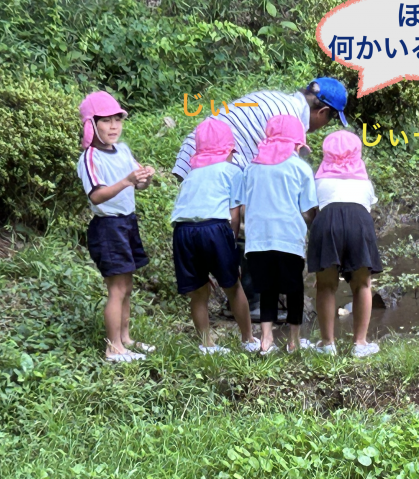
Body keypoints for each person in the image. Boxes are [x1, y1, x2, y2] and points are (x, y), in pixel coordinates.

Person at [171, 78, 349, 318]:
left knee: (210, 222)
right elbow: (279, 176)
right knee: (248, 221)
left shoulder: (277, 99)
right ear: (323, 111)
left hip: (193, 155)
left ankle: (222, 287)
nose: (323, 126)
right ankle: (252, 301)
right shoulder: (289, 121)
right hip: (218, 157)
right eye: (330, 119)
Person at [76, 91, 156, 363]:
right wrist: (127, 181)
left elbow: (139, 184)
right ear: (92, 125)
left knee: (127, 286)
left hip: (127, 222)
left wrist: (145, 177)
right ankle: (113, 349)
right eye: (106, 121)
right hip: (108, 227)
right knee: (117, 289)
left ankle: (126, 339)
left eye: (117, 120)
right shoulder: (90, 157)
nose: (113, 127)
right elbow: (96, 196)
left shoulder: (123, 150)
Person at [170, 118, 260, 355]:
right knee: (233, 286)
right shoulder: (233, 171)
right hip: (214, 229)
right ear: (228, 150)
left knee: (198, 292)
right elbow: (234, 215)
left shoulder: (191, 175)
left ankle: (206, 344)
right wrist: (232, 246)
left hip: (183, 232)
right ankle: (248, 339)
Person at [242, 115, 319, 355]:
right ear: (297, 144)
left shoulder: (251, 168)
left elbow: (243, 205)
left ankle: (266, 339)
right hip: (289, 237)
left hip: (257, 239)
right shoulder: (300, 168)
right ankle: (294, 341)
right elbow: (309, 210)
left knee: (267, 289)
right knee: (294, 289)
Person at [307, 131, 382, 358]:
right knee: (362, 284)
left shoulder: (318, 181)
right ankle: (360, 344)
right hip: (359, 221)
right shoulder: (364, 182)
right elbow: (368, 208)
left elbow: (311, 213)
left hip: (326, 221)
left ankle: (327, 344)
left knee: (325, 286)